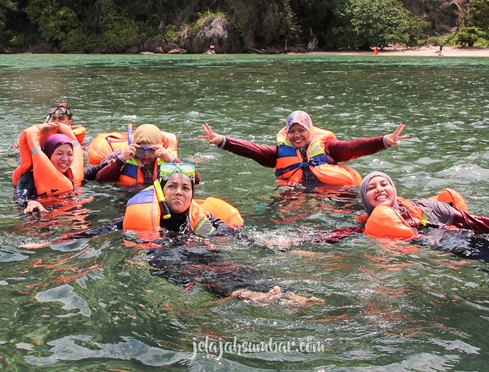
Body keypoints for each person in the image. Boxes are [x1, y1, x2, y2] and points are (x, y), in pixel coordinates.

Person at [22, 163, 323, 305]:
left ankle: (278, 292)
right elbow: (98, 232)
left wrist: (282, 247)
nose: (179, 192)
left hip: (196, 248)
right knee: (185, 265)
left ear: (192, 194)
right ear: (161, 191)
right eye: (173, 187)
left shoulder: (202, 217)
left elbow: (242, 237)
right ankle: (245, 295)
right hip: (161, 254)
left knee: (226, 264)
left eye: (185, 188)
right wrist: (50, 241)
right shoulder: (144, 216)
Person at [200, 110, 408, 186]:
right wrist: (222, 140)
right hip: (294, 194)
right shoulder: (278, 153)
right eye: (292, 131)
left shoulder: (328, 148)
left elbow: (354, 147)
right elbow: (251, 149)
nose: (297, 135)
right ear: (287, 133)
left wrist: (384, 141)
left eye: (301, 130)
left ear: (310, 130)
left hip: (329, 194)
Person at [358, 171, 489, 245]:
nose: (380, 189)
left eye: (384, 184)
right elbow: (337, 236)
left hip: (463, 242)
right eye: (371, 188)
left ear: (393, 189)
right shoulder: (366, 228)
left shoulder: (425, 206)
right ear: (365, 199)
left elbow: (469, 221)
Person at [13, 127, 108, 214]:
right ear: (47, 155)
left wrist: (107, 163)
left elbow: (86, 174)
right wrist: (29, 202)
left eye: (69, 154)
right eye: (59, 153)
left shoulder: (70, 172)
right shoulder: (29, 177)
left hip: (67, 208)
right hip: (41, 212)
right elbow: (19, 196)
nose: (65, 159)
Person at [94, 124, 194, 185]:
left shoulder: (167, 160)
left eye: (151, 150)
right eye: (141, 151)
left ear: (160, 148)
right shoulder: (125, 160)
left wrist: (172, 161)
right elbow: (99, 179)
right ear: (134, 148)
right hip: (127, 199)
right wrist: (121, 160)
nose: (146, 155)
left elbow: (195, 179)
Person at [11, 103, 86, 149]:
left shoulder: (80, 144)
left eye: (61, 119)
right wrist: (21, 144)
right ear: (49, 121)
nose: (56, 122)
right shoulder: (39, 136)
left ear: (70, 122)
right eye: (53, 118)